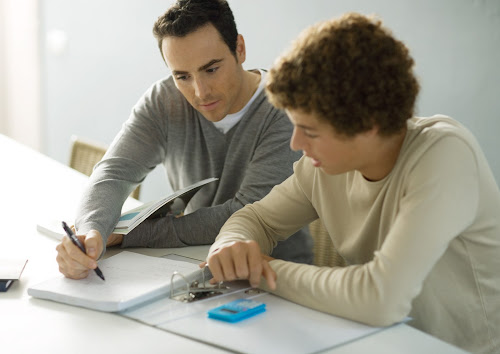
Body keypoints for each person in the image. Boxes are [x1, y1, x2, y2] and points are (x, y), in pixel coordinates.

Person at [206, 12, 500, 354]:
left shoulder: (445, 154)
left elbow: (380, 299)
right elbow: (254, 219)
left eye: (311, 131)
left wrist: (263, 271)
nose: (296, 144)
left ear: (369, 124)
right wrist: (229, 246)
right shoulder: (322, 166)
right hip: (379, 342)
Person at [55, 0, 313, 279]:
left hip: (273, 275)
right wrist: (91, 232)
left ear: (240, 49)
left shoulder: (284, 109)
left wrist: (128, 235)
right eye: (182, 76)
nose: (200, 92)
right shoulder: (165, 100)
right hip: (189, 265)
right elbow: (114, 171)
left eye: (211, 69)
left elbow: (244, 213)